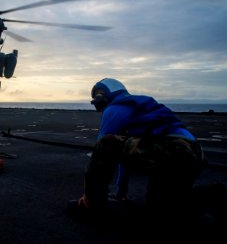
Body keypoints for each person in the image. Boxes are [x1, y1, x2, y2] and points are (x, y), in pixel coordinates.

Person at [68, 78, 205, 224]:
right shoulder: (139, 104)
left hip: (172, 149)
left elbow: (104, 149)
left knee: (106, 142)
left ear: (103, 94)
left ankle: (92, 204)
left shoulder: (114, 108)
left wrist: (90, 194)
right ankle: (211, 196)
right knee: (161, 211)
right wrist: (121, 193)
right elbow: (129, 154)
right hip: (194, 153)